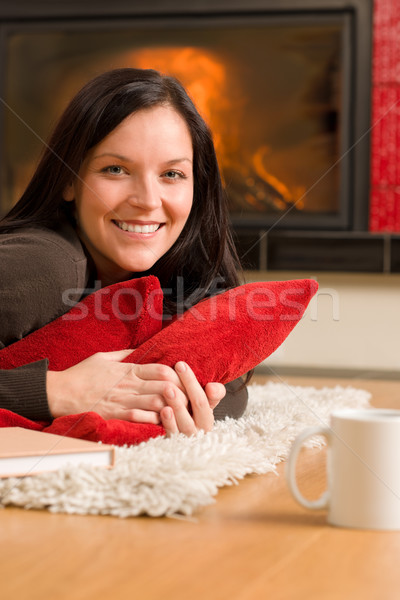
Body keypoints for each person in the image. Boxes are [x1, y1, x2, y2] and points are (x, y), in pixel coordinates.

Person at [0, 68, 248, 436]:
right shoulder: (43, 266)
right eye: (115, 169)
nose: (147, 201)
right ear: (69, 179)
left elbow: (231, 389)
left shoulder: (188, 279)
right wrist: (59, 390)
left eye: (172, 174)